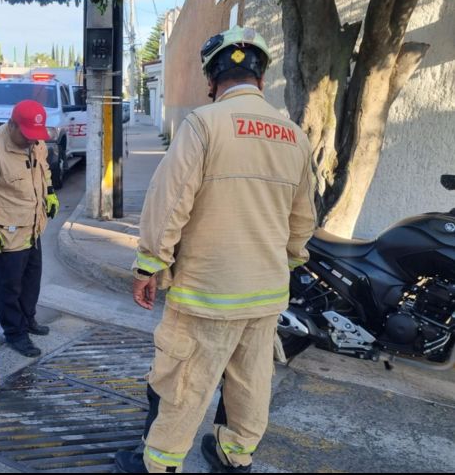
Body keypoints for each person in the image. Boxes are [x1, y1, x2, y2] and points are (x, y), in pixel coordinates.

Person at [114, 26, 317, 473]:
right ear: (261, 78)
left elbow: (169, 204)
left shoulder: (204, 124)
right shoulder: (294, 136)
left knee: (183, 381)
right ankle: (234, 454)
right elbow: (303, 221)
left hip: (207, 291)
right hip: (265, 294)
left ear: (211, 79)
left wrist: (149, 266)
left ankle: (160, 465)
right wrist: (282, 263)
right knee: (250, 382)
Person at [0, 100, 59, 358]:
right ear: (12, 125)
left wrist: (49, 192)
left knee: (31, 280)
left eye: (35, 136)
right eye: (27, 135)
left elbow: (43, 169)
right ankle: (15, 333)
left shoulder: (35, 141)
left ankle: (28, 320)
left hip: (33, 227)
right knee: (10, 287)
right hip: (7, 232)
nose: (32, 141)